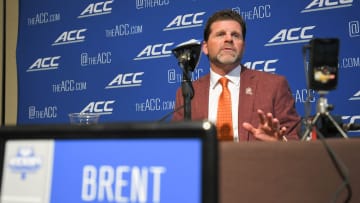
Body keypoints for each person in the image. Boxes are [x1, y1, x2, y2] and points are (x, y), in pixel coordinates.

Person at [172, 9, 301, 141]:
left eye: (235, 35)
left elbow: (294, 139)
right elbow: (177, 145)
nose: (228, 39)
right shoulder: (188, 93)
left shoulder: (274, 86)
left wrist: (279, 142)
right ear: (205, 47)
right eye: (220, 34)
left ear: (243, 47)